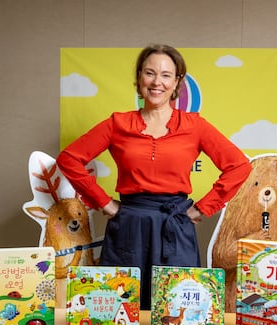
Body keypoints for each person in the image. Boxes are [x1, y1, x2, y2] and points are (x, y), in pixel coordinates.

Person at [57, 44, 251, 309]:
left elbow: (239, 166)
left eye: (166, 75)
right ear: (139, 77)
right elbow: (69, 159)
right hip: (129, 225)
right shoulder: (118, 124)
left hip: (176, 224)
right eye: (150, 73)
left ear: (177, 82)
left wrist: (203, 208)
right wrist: (104, 202)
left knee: (177, 309)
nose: (157, 82)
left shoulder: (195, 126)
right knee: (121, 307)